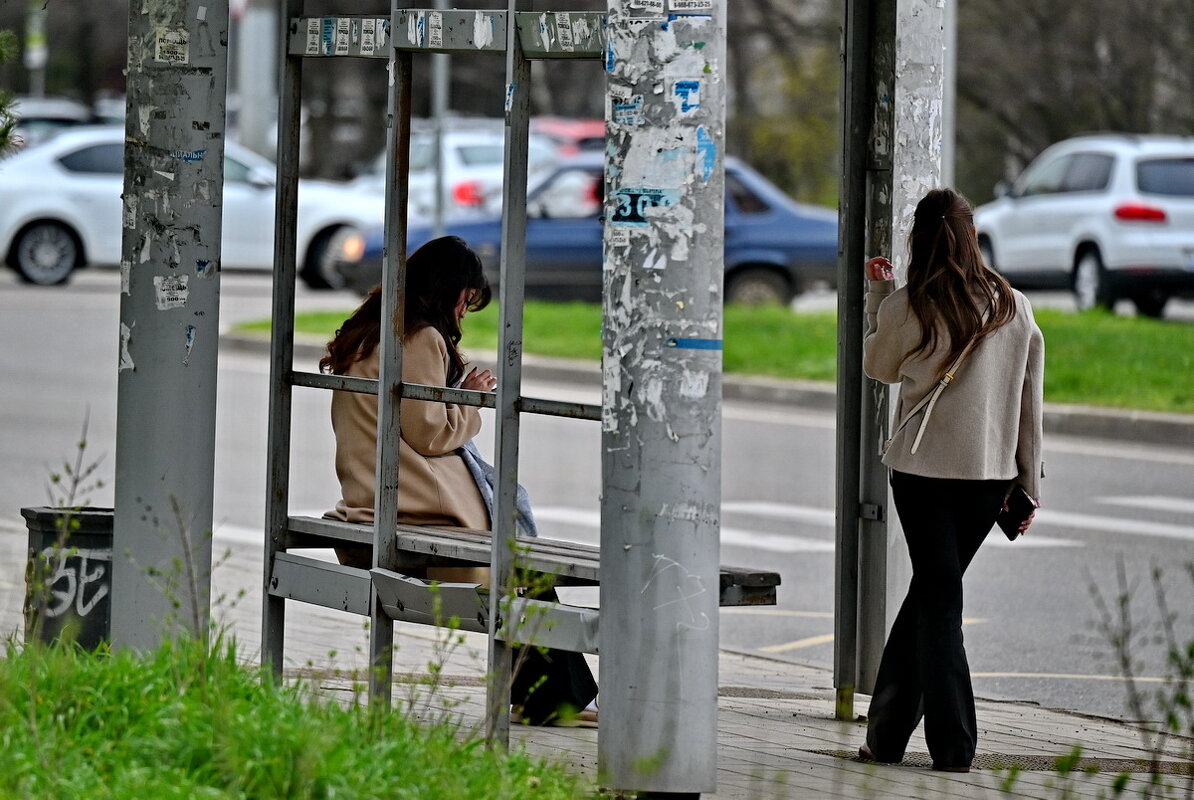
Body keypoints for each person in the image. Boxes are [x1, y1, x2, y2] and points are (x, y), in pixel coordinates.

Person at [320, 235, 598, 726]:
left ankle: (553, 698)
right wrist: (469, 398)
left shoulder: (369, 331)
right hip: (415, 503)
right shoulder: (420, 337)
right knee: (519, 568)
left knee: (520, 572)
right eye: (466, 301)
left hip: (372, 496)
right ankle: (559, 701)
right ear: (448, 290)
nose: (465, 314)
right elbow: (429, 433)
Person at [857, 188, 1044, 773]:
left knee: (937, 601)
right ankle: (885, 739)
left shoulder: (909, 305)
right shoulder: (1013, 307)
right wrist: (1028, 480)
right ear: (972, 236)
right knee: (933, 596)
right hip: (987, 479)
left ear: (920, 239)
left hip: (921, 473)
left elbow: (879, 367)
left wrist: (879, 295)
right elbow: (1029, 404)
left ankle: (954, 745)